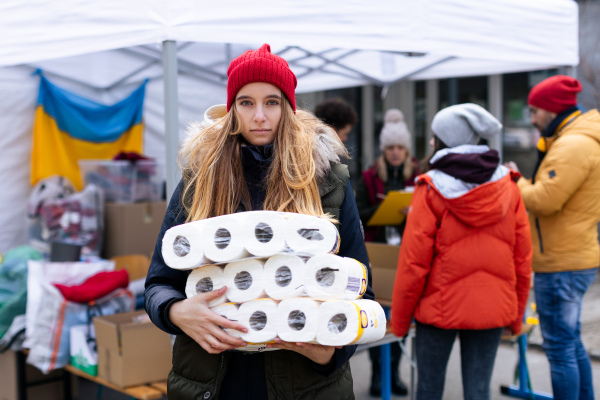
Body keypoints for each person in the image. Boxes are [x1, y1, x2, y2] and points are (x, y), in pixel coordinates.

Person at [144, 43, 374, 400]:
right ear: (233, 109)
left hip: (304, 382)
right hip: (215, 381)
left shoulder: (327, 180)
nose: (260, 116)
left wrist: (331, 351)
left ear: (288, 107)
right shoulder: (199, 179)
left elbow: (359, 288)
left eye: (272, 102)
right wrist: (176, 312)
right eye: (246, 102)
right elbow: (160, 282)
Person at [391, 103, 532, 400]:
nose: (431, 142)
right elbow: (522, 258)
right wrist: (516, 316)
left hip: (438, 309)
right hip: (493, 308)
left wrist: (400, 321)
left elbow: (413, 264)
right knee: (478, 392)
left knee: (428, 390)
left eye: (435, 136)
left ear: (445, 141)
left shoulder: (429, 188)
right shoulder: (510, 185)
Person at [506, 75, 600, 400]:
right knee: (571, 343)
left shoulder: (573, 144)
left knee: (560, 348)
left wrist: (515, 179)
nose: (532, 119)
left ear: (552, 109)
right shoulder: (572, 139)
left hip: (562, 264)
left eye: (535, 111)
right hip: (571, 257)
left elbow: (544, 200)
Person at [355, 108, 419, 397]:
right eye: (391, 148)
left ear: (406, 150)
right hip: (378, 255)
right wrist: (385, 210)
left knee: (401, 317)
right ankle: (378, 374)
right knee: (379, 315)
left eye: (400, 148)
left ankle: (394, 373)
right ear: (384, 149)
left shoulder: (417, 175)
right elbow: (357, 214)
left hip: (406, 254)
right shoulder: (369, 177)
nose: (395, 153)